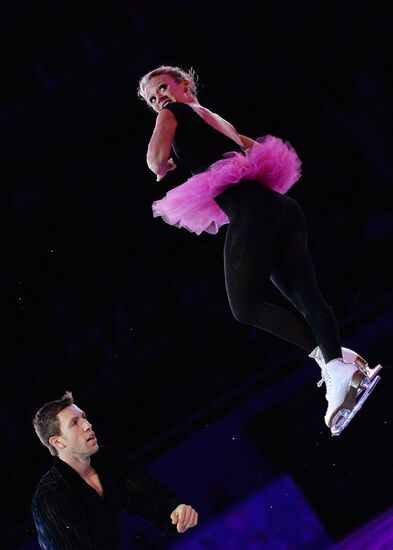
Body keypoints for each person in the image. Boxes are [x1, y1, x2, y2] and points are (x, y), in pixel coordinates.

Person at [137, 65, 383, 437]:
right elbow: (252, 149)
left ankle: (333, 365)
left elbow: (154, 161)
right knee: (306, 296)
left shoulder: (174, 114)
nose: (159, 101)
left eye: (162, 89)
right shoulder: (216, 120)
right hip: (279, 208)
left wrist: (164, 163)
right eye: (152, 99)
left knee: (244, 306)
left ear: (183, 84)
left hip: (252, 212)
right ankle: (339, 361)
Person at [31, 391, 198, 549]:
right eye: (75, 423)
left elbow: (150, 496)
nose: (88, 425)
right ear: (58, 442)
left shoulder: (107, 460)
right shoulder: (50, 497)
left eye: (84, 417)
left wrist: (176, 510)